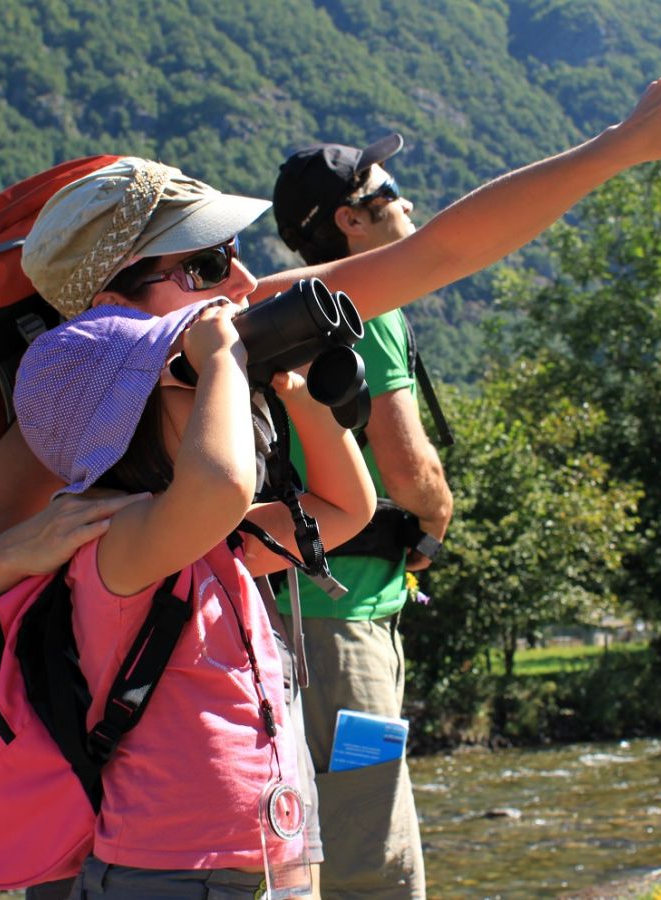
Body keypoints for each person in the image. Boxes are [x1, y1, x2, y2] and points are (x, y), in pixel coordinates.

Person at [0, 21, 661, 888]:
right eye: (212, 260)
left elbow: (438, 252)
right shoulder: (46, 435)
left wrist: (621, 148)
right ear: (115, 301)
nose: (247, 283)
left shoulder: (232, 327)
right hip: (96, 825)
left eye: (241, 253)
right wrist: (23, 551)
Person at [7, 268, 372, 897]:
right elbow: (221, 484)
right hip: (166, 871)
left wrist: (297, 394)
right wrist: (223, 353)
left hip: (268, 854)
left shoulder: (214, 545)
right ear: (124, 428)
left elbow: (346, 510)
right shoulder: (115, 546)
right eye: (189, 384)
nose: (216, 396)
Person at [268, 133, 448, 897]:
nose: (406, 201)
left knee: (299, 847)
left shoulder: (290, 305)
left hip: (282, 612)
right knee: (371, 846)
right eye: (390, 190)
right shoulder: (363, 304)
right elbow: (408, 471)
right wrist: (436, 524)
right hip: (342, 628)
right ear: (351, 220)